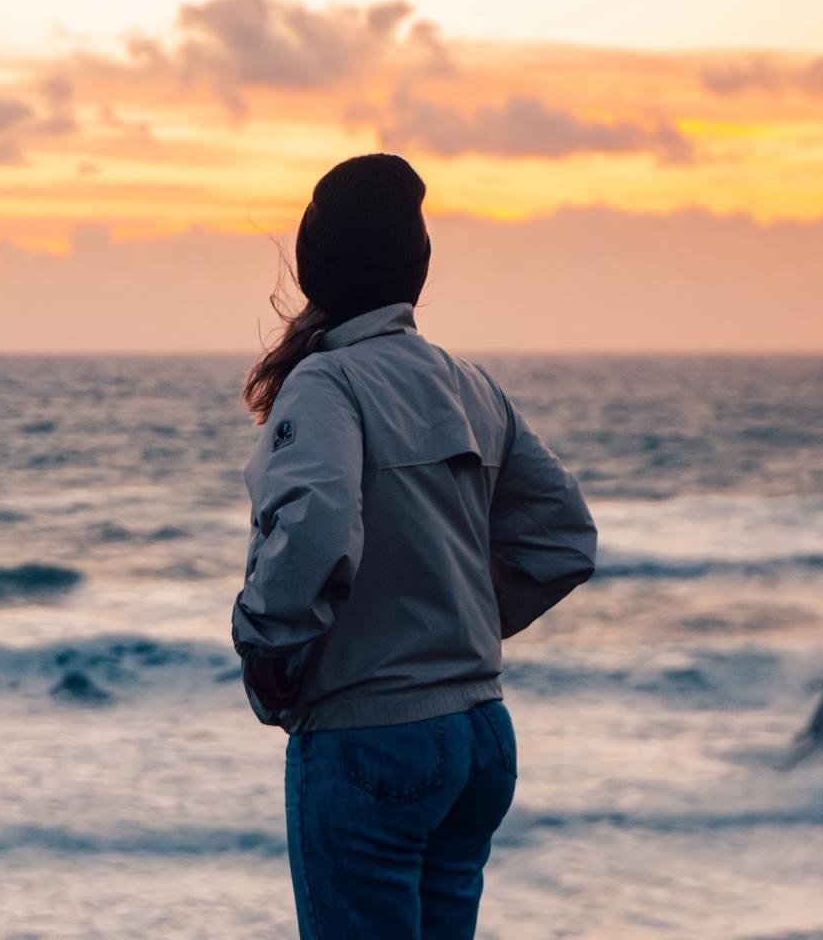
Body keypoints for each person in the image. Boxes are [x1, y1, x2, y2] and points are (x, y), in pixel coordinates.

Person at [230, 153, 597, 940]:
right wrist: (457, 621)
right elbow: (563, 539)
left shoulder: (327, 386)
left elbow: (316, 533)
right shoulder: (468, 384)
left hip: (371, 740)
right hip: (479, 738)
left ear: (312, 269)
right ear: (417, 271)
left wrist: (264, 648)